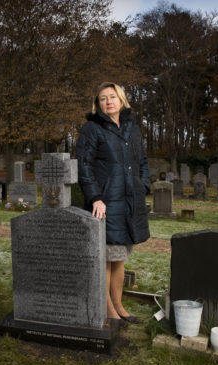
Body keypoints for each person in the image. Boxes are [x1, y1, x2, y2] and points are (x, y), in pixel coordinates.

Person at [76, 82, 150, 326]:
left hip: (130, 203)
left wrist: (143, 186)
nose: (108, 101)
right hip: (106, 203)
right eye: (102, 98)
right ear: (97, 104)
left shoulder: (133, 129)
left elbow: (142, 161)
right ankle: (108, 311)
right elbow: (84, 165)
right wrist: (96, 197)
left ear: (121, 99)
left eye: (112, 96)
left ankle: (118, 305)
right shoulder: (91, 129)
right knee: (106, 258)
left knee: (120, 258)